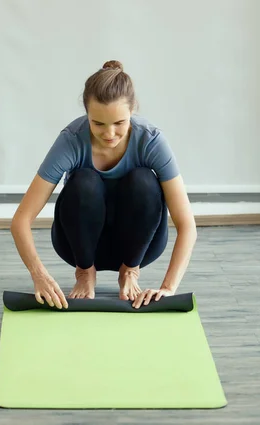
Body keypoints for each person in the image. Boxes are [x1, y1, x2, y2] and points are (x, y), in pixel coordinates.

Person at [11, 60, 197, 310]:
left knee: (143, 180)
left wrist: (168, 289)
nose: (109, 133)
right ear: (87, 114)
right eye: (98, 123)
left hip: (140, 246)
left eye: (119, 123)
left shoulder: (151, 140)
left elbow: (187, 226)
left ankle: (129, 271)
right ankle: (85, 273)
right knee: (84, 182)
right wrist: (39, 276)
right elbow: (20, 220)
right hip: (79, 246)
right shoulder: (71, 140)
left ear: (133, 110)